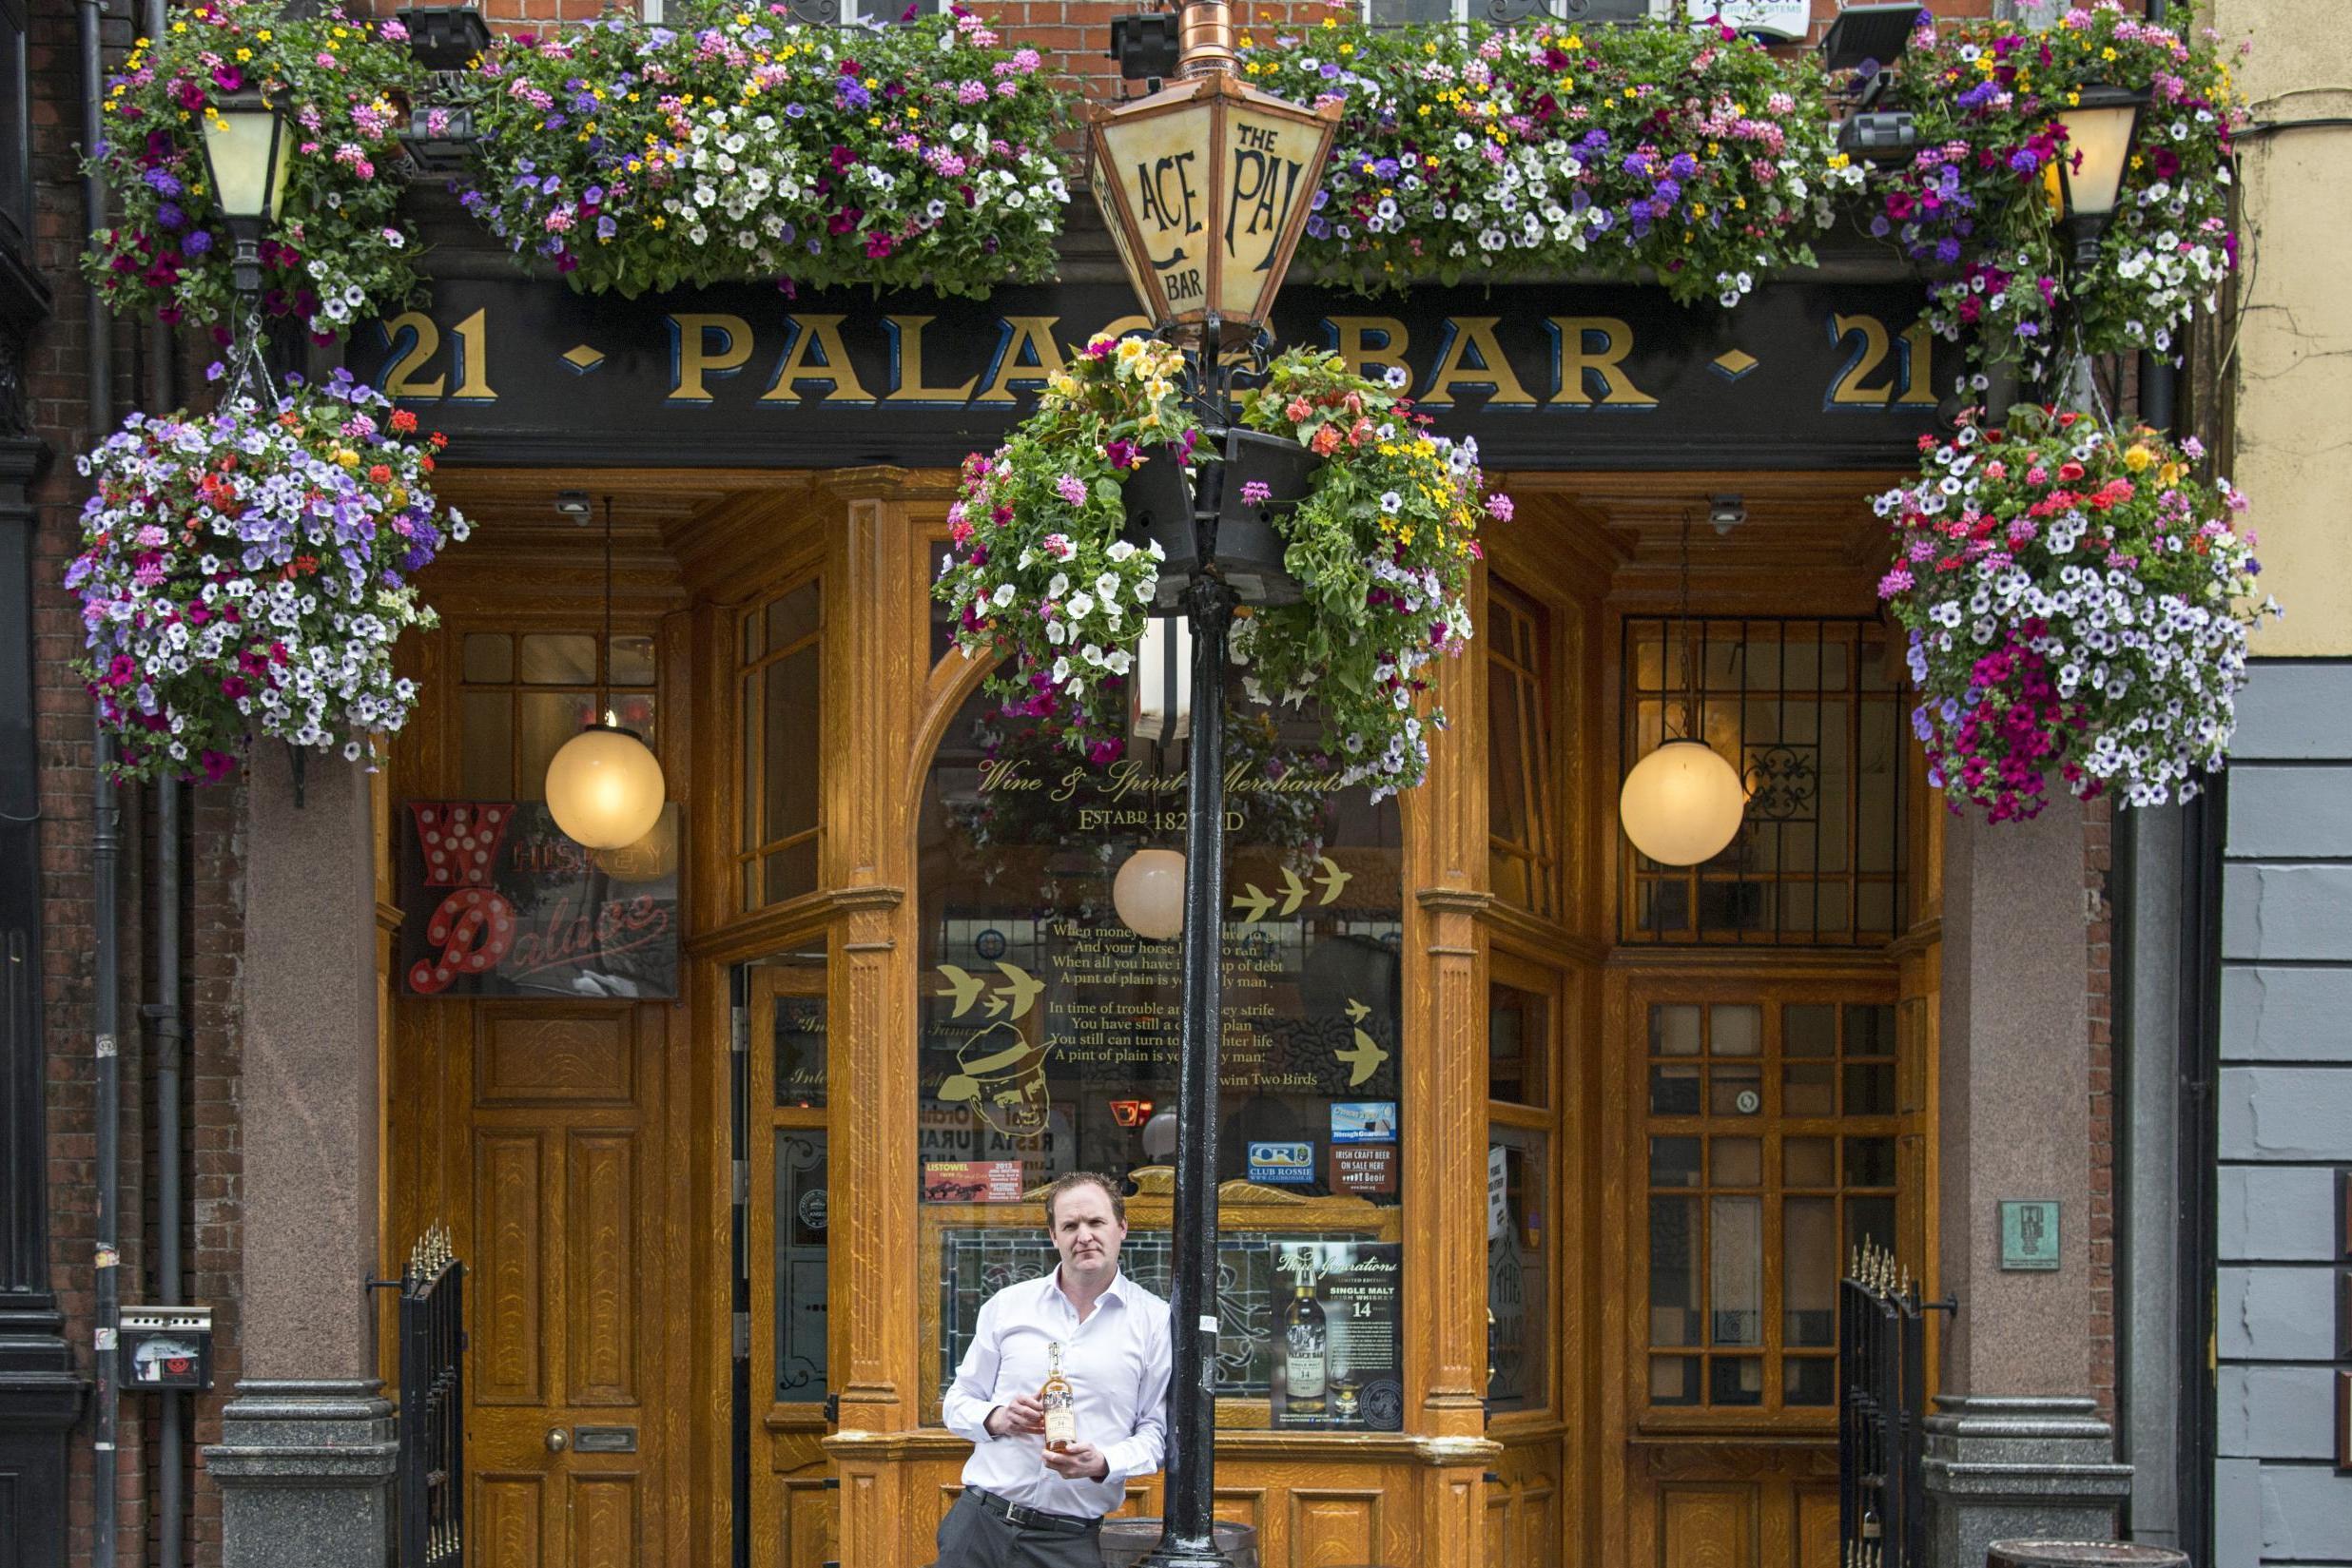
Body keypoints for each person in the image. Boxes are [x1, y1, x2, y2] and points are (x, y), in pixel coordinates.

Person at [937, 1171, 1171, 1566]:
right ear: (1053, 1236)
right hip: (980, 1527)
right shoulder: (1008, 1306)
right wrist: (998, 1417)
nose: (1084, 1236)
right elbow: (958, 1402)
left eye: (1096, 1222)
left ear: (1122, 1228)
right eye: (1070, 1225)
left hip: (1067, 1543)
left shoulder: (1154, 1321)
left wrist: (1103, 1463)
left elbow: (1156, 1432)